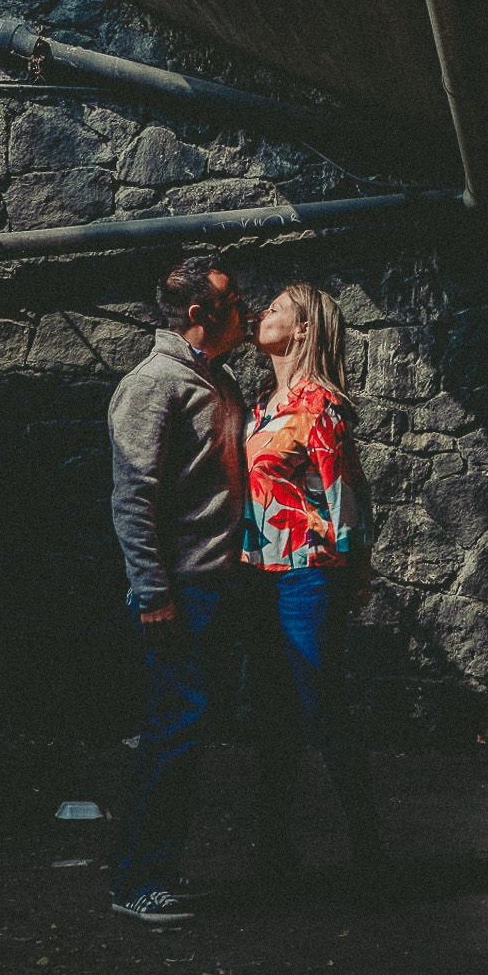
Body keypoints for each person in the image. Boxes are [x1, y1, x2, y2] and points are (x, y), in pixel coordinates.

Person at [105, 256, 249, 923]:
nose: (244, 310)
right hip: (177, 594)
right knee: (175, 731)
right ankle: (137, 883)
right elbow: (133, 499)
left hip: (211, 590)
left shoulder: (212, 381)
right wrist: (152, 591)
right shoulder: (154, 384)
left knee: (181, 732)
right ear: (199, 315)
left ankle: (152, 871)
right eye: (233, 301)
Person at [237, 281, 384, 877]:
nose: (259, 314)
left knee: (323, 711)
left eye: (273, 310)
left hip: (306, 575)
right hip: (259, 578)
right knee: (273, 716)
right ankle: (274, 856)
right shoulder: (262, 406)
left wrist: (353, 574)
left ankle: (369, 859)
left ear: (301, 331)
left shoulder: (319, 406)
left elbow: (345, 498)